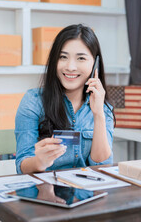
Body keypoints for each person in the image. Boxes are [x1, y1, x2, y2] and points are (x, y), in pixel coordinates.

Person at [15, 24, 114, 174]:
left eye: (81, 58)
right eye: (63, 57)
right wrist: (38, 161)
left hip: (85, 192)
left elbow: (103, 166)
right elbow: (22, 166)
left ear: (95, 64)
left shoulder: (103, 107)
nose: (70, 67)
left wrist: (98, 114)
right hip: (46, 192)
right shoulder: (33, 102)